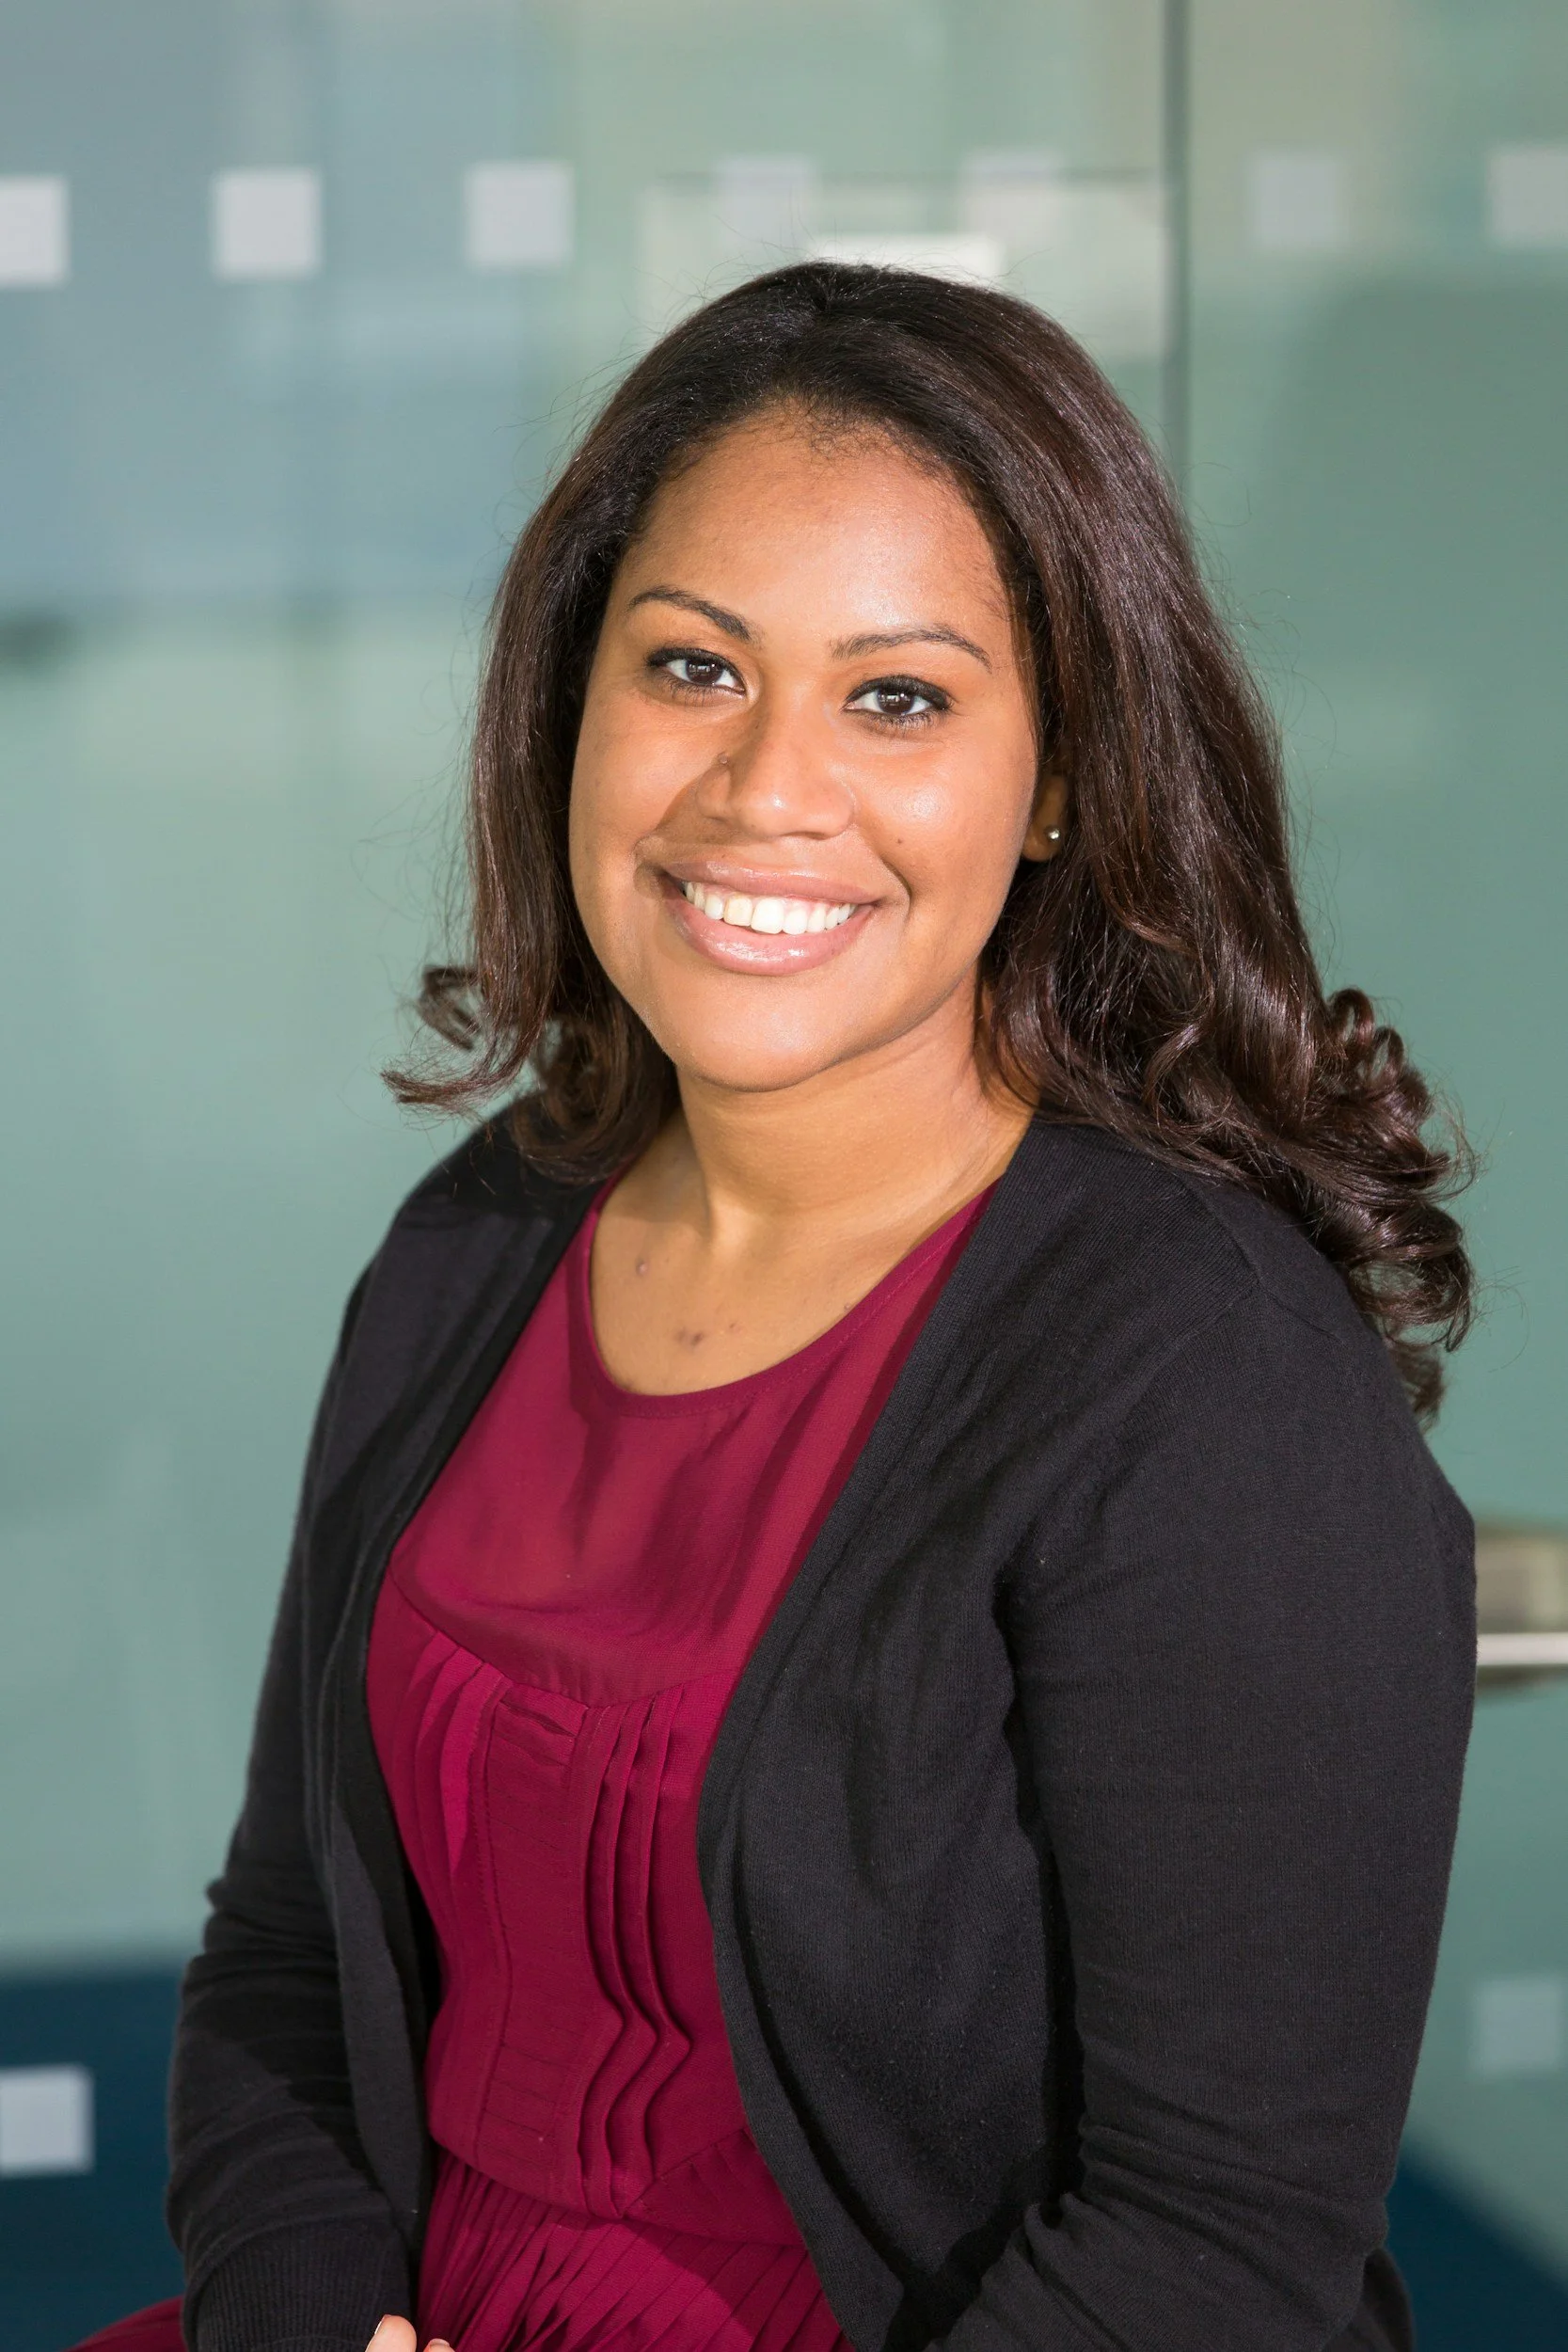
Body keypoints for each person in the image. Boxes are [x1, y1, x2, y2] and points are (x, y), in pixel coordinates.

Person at [78, 262, 1476, 2352]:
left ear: (1066, 777)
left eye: (896, 696)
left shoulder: (1199, 1381)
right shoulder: (479, 1239)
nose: (762, 790)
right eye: (692, 668)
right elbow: (287, 1946)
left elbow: (1212, 2240)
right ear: (575, 700)